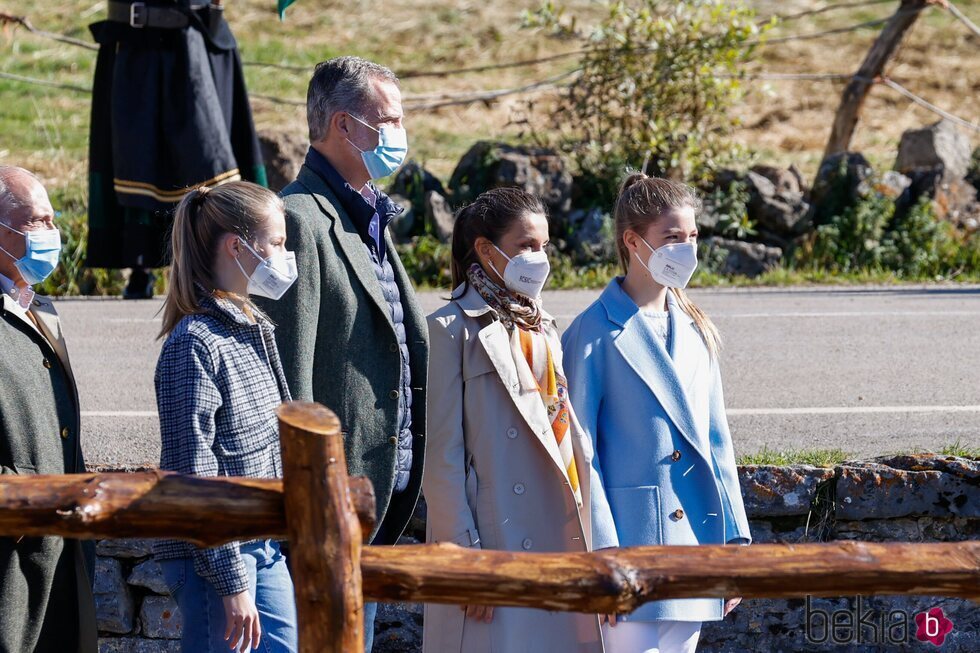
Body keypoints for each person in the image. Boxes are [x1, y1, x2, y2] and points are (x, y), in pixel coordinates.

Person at [255, 56, 427, 652]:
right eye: (389, 120)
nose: (400, 133)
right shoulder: (300, 219)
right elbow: (288, 374)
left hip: (376, 499)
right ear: (341, 126)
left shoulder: (370, 214)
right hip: (327, 500)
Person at [561, 174, 752, 653]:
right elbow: (582, 456)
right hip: (631, 544)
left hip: (695, 542)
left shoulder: (695, 329)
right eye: (672, 238)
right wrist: (601, 558)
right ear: (632, 241)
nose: (686, 249)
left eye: (692, 237)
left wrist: (734, 546)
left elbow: (716, 442)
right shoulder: (591, 333)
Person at [423, 188, 606, 653]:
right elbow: (440, 457)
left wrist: (599, 546)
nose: (539, 258)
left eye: (544, 246)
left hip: (559, 523)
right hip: (496, 539)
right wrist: (465, 561)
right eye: (526, 246)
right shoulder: (450, 329)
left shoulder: (541, 323)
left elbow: (568, 435)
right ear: (486, 250)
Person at [154, 181, 298, 653]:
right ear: (237, 247)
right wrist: (231, 582)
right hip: (217, 559)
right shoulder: (195, 342)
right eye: (276, 243)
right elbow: (196, 473)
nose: (285, 255)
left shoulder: (251, 325)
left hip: (262, 544)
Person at [87, 0, 267, 298]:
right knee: (134, 158)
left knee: (210, 163)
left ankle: (222, 265)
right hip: (134, 43)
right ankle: (139, 265)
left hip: (198, 40)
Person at [0, 166, 98, 652]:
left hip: (61, 556)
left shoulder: (40, 306)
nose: (51, 235)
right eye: (35, 222)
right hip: (10, 564)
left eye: (53, 220)